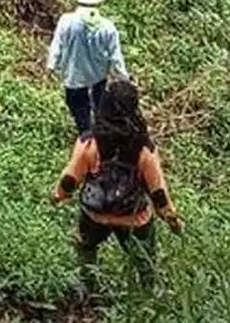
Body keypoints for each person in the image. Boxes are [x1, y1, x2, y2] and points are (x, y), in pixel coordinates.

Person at [51, 81, 184, 293]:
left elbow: (70, 177)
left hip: (94, 214)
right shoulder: (144, 148)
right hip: (134, 218)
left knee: (85, 246)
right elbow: (158, 191)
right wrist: (172, 219)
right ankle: (148, 290)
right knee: (144, 258)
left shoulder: (89, 142)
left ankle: (87, 285)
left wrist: (59, 195)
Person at [47, 0, 128, 133]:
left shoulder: (66, 21)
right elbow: (115, 57)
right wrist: (124, 78)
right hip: (98, 78)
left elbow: (57, 45)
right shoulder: (108, 26)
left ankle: (85, 135)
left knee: (79, 111)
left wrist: (52, 65)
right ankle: (99, 135)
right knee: (99, 109)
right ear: (99, 1)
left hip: (73, 77)